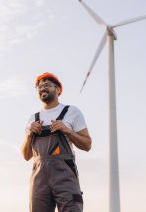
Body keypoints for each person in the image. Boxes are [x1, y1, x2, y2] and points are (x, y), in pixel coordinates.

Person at [21, 72, 92, 212]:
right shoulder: (33, 118)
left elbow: (87, 144)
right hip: (39, 178)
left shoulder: (72, 112)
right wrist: (29, 135)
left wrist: (67, 130)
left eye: (47, 85)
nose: (42, 88)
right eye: (39, 87)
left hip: (64, 175)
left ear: (58, 90)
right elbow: (26, 156)